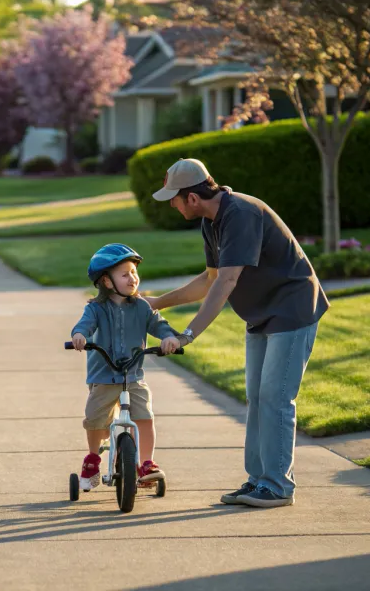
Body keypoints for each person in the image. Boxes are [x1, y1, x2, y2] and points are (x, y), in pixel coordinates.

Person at [146, 158, 329, 508]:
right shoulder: (211, 222)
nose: (171, 204)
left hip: (291, 309)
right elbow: (210, 279)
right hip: (262, 314)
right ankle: (258, 480)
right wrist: (157, 303)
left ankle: (277, 486)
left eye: (174, 198)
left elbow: (227, 281)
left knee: (276, 397)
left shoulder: (240, 214)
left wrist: (188, 334)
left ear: (193, 198)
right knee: (258, 397)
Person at [71, 243, 182, 492]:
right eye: (125, 274)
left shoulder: (142, 306)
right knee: (96, 421)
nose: (133, 278)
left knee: (144, 417)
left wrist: (168, 337)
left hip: (133, 375)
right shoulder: (96, 308)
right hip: (103, 376)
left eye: (134, 272)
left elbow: (158, 324)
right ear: (107, 282)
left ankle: (146, 464)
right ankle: (92, 460)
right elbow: (85, 325)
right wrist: (79, 335)